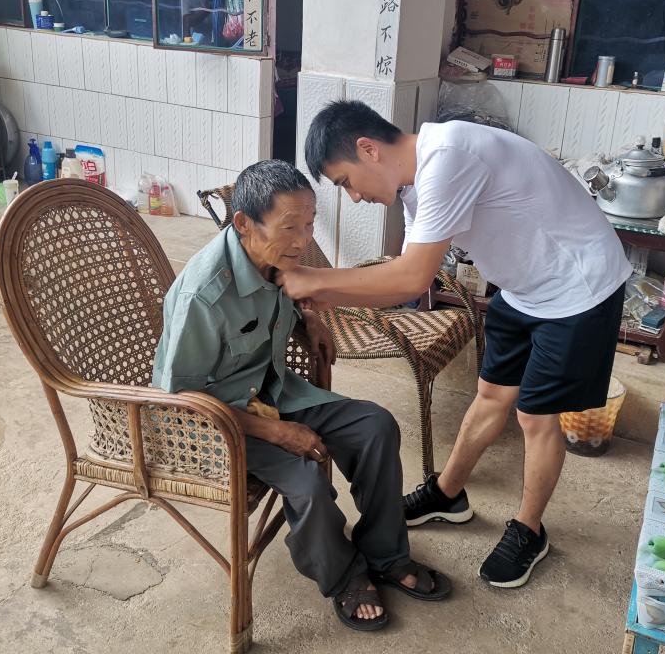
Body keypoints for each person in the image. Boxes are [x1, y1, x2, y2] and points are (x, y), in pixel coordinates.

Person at [278, 101, 631, 589]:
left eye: (346, 182)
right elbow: (399, 281)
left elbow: (410, 278)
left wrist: (312, 280)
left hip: (578, 288)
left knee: (534, 416)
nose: (354, 197)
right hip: (523, 287)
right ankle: (447, 495)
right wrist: (318, 294)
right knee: (490, 395)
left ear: (368, 149)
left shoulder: (449, 156)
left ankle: (530, 530)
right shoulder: (414, 187)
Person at [152, 159, 451, 630]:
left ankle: (386, 556)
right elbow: (183, 397)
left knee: (376, 425)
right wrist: (276, 432)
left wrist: (306, 319)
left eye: (309, 224)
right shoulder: (202, 296)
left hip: (272, 390)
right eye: (290, 227)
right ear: (243, 223)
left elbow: (275, 302)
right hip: (215, 422)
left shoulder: (273, 259)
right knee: (308, 482)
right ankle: (344, 576)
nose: (303, 240)